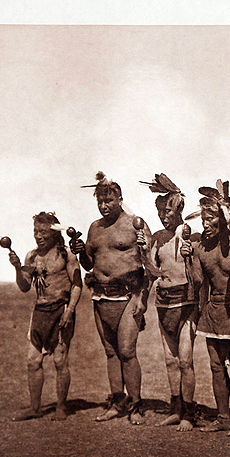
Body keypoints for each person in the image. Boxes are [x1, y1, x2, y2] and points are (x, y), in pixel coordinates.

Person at [70, 171, 153, 424]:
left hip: (128, 296)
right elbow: (88, 264)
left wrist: (142, 299)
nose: (105, 206)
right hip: (100, 297)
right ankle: (118, 403)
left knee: (127, 351)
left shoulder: (135, 224)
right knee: (111, 353)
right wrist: (80, 251)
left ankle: (136, 405)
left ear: (120, 199)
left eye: (110, 201)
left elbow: (148, 264)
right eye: (101, 202)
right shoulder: (95, 228)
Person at [180, 180, 230, 436]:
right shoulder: (201, 247)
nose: (205, 223)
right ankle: (224, 417)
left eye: (211, 218)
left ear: (223, 219)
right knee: (216, 366)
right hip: (213, 311)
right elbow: (199, 282)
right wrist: (188, 258)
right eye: (203, 218)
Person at [8, 212, 82, 421]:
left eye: (43, 232)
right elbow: (24, 287)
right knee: (33, 361)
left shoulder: (66, 254)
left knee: (60, 360)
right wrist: (16, 267)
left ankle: (61, 406)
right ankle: (35, 408)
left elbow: (77, 284)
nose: (39, 236)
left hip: (61, 310)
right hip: (39, 312)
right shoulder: (31, 257)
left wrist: (70, 311)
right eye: (35, 231)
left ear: (53, 232)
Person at [141, 173, 201, 431]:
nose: (163, 216)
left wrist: (189, 254)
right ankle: (175, 408)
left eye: (168, 210)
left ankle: (188, 412)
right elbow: (153, 273)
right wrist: (144, 252)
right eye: (159, 211)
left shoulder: (189, 235)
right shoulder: (156, 237)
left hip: (185, 303)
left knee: (185, 360)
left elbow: (197, 274)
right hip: (163, 303)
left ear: (178, 209)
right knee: (169, 360)